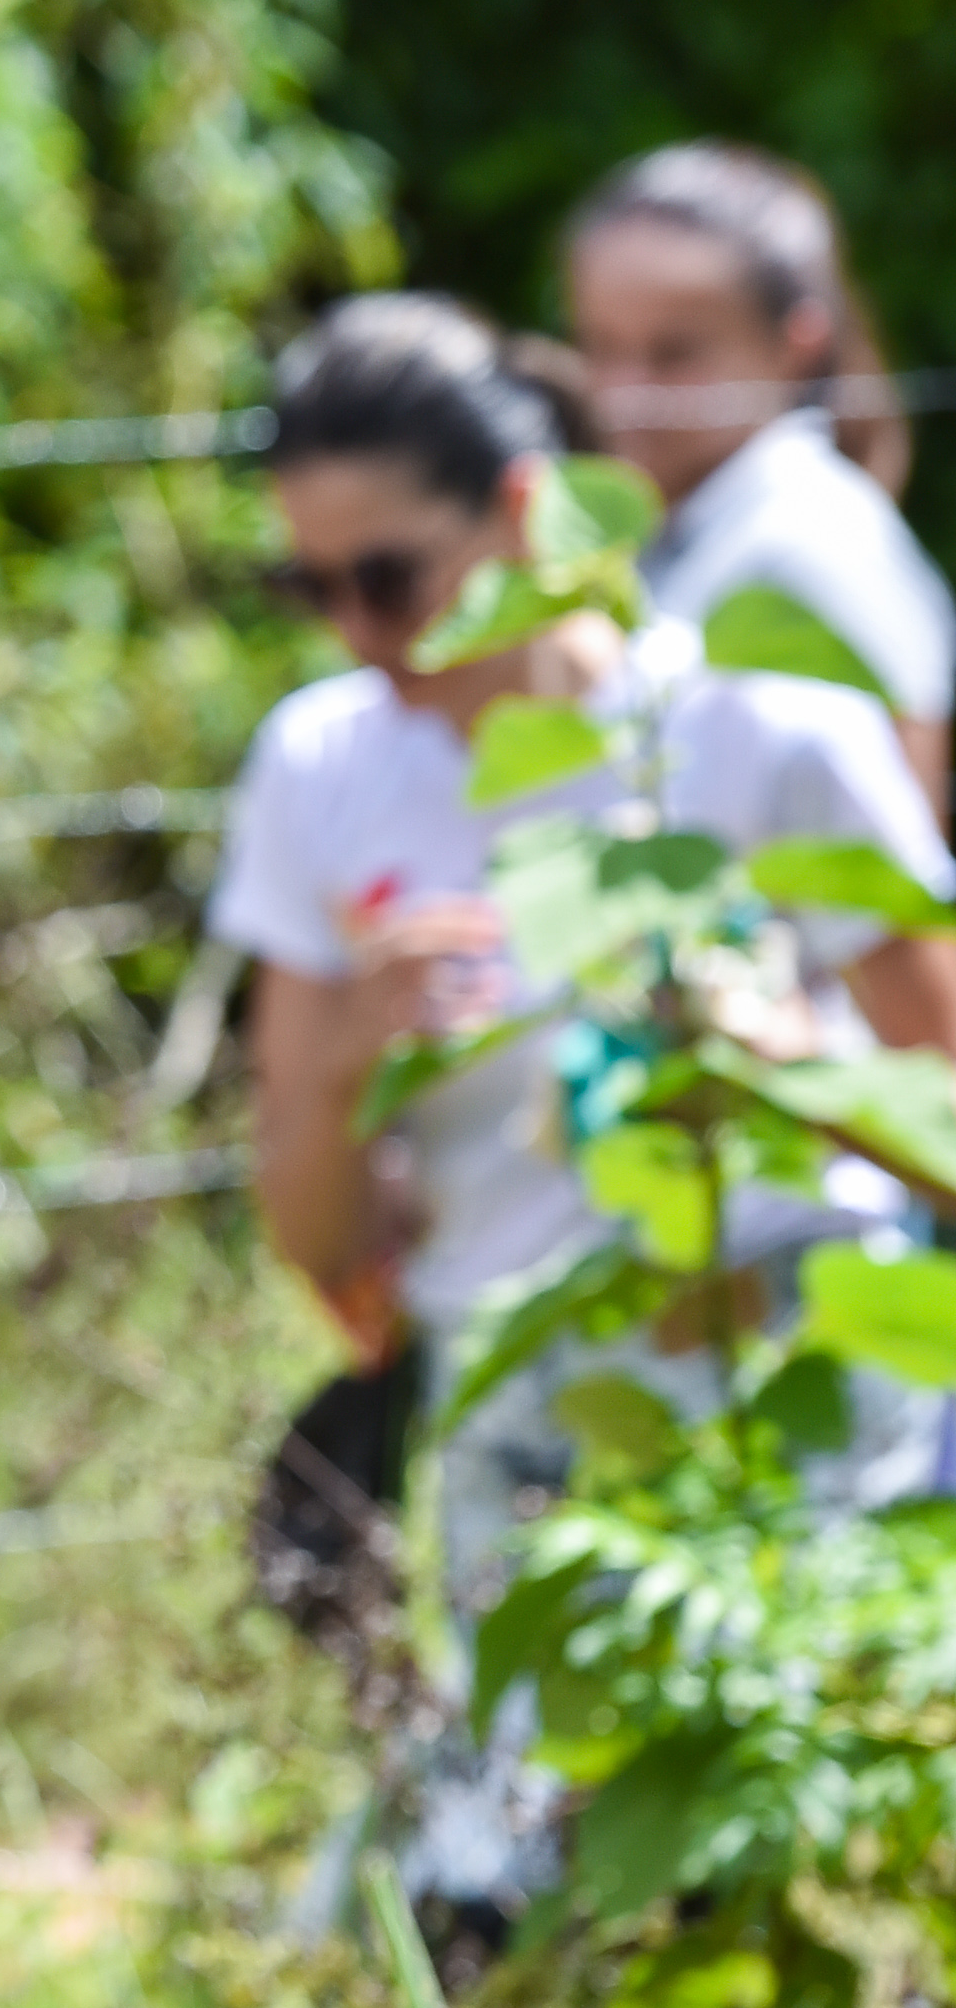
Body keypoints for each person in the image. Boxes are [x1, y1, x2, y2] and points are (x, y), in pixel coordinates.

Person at [212, 293, 956, 1909]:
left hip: (800, 1381)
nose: (354, 626)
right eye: (308, 584)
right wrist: (349, 1046)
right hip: (526, 1407)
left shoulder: (760, 740)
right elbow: (316, 1237)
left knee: (809, 1861)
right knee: (538, 1901)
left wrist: (784, 1059)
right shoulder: (321, 767)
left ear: (529, 511)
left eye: (389, 575)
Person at [566, 140, 955, 812]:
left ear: (794, 344)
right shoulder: (668, 530)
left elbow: (895, 870)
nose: (624, 392)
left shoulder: (818, 540)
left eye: (674, 352)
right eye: (601, 346)